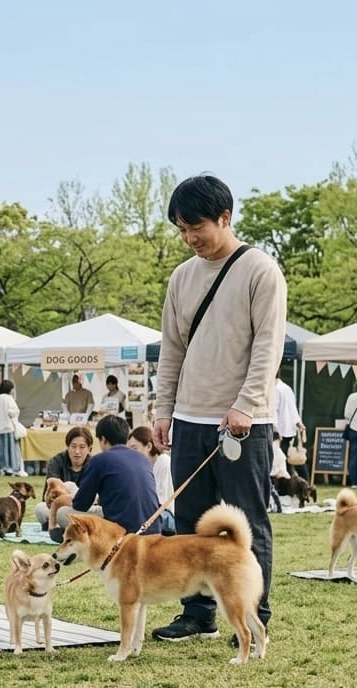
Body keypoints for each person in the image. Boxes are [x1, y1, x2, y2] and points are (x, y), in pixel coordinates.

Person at [152, 174, 285, 643]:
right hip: (189, 416)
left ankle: (254, 614)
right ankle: (198, 612)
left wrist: (246, 404)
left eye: (197, 227)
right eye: (182, 230)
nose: (190, 239)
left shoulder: (260, 269)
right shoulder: (182, 277)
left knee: (245, 521)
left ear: (225, 218)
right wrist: (163, 409)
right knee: (190, 522)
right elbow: (171, 348)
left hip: (244, 423)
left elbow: (268, 346)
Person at [69, 415, 161, 540]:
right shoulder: (143, 459)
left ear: (103, 439)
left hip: (122, 534)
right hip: (154, 530)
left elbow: (80, 505)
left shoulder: (99, 460)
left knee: (63, 513)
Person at [33, 425, 93, 526]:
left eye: (82, 447)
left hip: (84, 509)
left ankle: (61, 523)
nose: (77, 451)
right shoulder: (56, 461)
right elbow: (50, 494)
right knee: (40, 509)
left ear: (89, 449)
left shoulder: (94, 464)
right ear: (68, 447)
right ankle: (66, 523)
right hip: (58, 508)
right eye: (73, 446)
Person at [129, 425, 174, 532]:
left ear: (149, 446)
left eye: (134, 448)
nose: (131, 453)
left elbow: (163, 502)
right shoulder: (145, 465)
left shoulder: (164, 463)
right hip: (153, 515)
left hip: (166, 517)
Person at [273, 369, 307, 480]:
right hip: (288, 430)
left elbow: (274, 411)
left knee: (283, 460)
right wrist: (298, 423)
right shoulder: (286, 388)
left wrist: (276, 431)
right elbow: (293, 408)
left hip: (280, 431)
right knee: (289, 460)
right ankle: (303, 481)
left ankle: (291, 482)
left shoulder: (275, 389)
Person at [0, 380, 24, 477]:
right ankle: (9, 468)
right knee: (8, 450)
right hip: (7, 427)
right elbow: (13, 412)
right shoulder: (9, 399)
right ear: (10, 389)